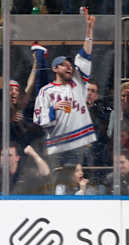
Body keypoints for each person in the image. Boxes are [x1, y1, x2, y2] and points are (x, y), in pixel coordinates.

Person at [33, 8, 97, 168]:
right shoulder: (45, 91)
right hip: (57, 146)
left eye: (70, 65)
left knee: (77, 180)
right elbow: (38, 119)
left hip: (79, 143)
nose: (69, 68)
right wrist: (53, 109)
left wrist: (89, 30)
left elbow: (86, 55)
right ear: (55, 69)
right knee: (58, 184)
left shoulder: (78, 82)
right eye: (64, 65)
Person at [87, 80, 112, 166]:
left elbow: (101, 133)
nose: (89, 93)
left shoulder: (100, 112)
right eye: (87, 90)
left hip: (94, 148)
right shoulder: (75, 108)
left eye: (93, 91)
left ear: (96, 96)